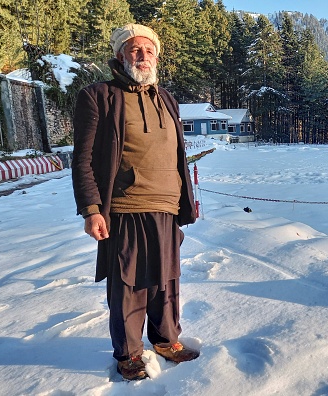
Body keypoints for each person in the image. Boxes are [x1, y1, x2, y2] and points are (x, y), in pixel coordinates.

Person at [71, 23, 199, 381]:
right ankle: (128, 352)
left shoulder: (167, 98)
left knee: (166, 280)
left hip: (167, 207)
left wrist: (185, 200)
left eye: (149, 50)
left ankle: (165, 340)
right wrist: (92, 209)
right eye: (134, 50)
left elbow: (174, 155)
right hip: (126, 207)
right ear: (119, 55)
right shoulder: (98, 95)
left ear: (157, 56)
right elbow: (82, 158)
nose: (143, 56)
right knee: (129, 284)